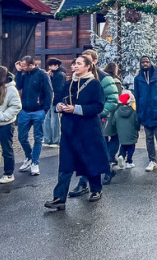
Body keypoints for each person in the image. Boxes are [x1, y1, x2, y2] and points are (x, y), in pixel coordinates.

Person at [44, 55, 109, 210]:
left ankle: (96, 189)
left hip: (88, 129)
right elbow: (59, 99)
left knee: (89, 159)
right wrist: (60, 106)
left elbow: (98, 106)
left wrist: (77, 109)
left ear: (87, 67)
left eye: (79, 63)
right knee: (65, 163)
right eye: (74, 63)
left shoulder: (94, 84)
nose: (75, 66)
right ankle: (59, 198)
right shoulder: (69, 83)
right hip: (69, 129)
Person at [69, 50, 120, 196]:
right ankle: (104, 171)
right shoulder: (77, 78)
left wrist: (99, 112)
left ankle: (85, 183)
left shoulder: (104, 78)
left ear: (94, 61)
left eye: (87, 59)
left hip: (97, 119)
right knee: (86, 150)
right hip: (81, 119)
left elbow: (112, 99)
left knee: (93, 150)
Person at [15, 56, 53, 177]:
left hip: (38, 110)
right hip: (25, 110)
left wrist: (45, 109)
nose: (22, 67)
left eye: (24, 65)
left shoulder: (42, 75)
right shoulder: (24, 74)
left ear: (31, 65)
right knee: (22, 137)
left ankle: (35, 162)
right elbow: (18, 86)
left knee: (38, 138)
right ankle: (29, 156)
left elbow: (49, 92)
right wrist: (18, 72)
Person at [133, 55, 157, 172]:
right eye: (143, 62)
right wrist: (137, 112)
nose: (145, 64)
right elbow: (137, 96)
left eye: (147, 62)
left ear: (150, 63)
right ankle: (152, 160)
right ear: (140, 64)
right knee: (149, 138)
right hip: (145, 112)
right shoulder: (138, 79)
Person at [44, 58, 67, 146]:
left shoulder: (60, 75)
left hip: (56, 100)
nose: (50, 67)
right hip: (51, 100)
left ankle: (55, 140)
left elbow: (58, 88)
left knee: (55, 121)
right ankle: (48, 139)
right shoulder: (54, 74)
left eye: (51, 65)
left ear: (56, 65)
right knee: (48, 120)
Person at [114, 92, 139, 169]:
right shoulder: (133, 112)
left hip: (121, 133)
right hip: (132, 133)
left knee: (123, 146)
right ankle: (129, 162)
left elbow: (113, 122)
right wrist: (137, 129)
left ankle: (121, 156)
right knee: (131, 147)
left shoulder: (117, 112)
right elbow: (136, 122)